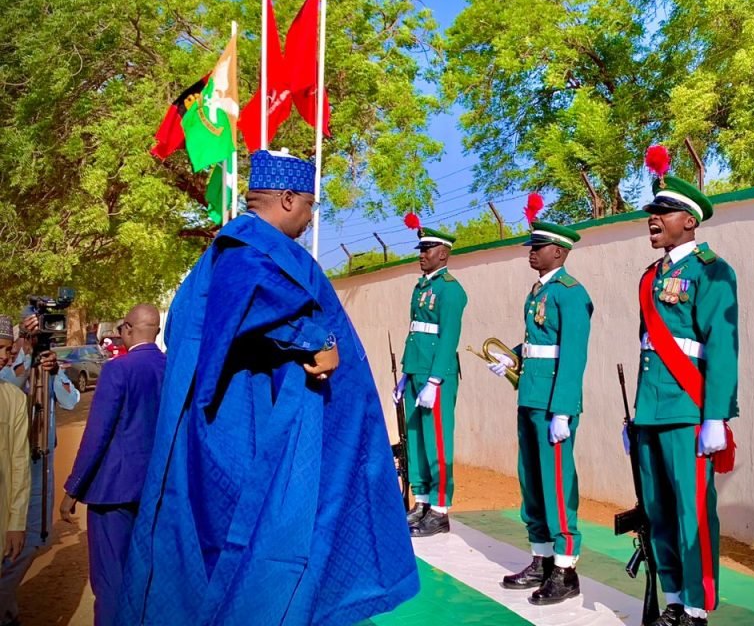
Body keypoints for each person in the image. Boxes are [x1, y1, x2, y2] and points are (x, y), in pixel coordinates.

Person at [116, 149, 418, 626]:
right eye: (308, 207)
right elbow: (241, 306)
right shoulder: (248, 250)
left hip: (250, 420)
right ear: (287, 198)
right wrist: (311, 338)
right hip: (248, 430)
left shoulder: (235, 250)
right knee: (258, 545)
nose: (310, 218)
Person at [631, 154, 739, 626]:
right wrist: (636, 416)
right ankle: (673, 598)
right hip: (651, 411)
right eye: (652, 212)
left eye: (664, 212)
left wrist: (716, 415)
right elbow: (648, 349)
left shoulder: (712, 271)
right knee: (657, 510)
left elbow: (722, 347)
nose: (653, 219)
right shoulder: (649, 277)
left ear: (690, 221)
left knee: (692, 513)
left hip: (688, 410)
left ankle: (695, 608)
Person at [495, 199, 593, 606]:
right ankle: (540, 557)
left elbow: (573, 355)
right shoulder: (539, 291)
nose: (531, 252)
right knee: (532, 481)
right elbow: (539, 342)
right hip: (530, 396)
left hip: (554, 401)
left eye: (538, 247)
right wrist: (513, 355)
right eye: (531, 247)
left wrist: (564, 410)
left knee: (556, 485)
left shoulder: (571, 294)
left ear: (559, 251)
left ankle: (565, 569)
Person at [59, 303, 166, 626]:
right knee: (148, 576)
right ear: (157, 332)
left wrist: (73, 488)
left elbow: (97, 434)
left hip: (113, 492)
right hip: (157, 490)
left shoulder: (118, 369)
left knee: (110, 580)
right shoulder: (173, 369)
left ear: (128, 329)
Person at [0, 313, 79, 626]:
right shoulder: (12, 361)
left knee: (37, 537)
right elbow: (10, 387)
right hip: (13, 462)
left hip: (40, 460)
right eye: (32, 330)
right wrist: (25, 356)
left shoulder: (48, 362)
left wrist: (55, 370)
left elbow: (71, 401)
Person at [396, 215, 468, 537]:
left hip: (435, 374)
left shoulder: (451, 291)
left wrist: (436, 379)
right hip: (416, 371)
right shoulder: (420, 287)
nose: (422, 254)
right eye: (420, 248)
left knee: (437, 440)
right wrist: (404, 374)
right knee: (418, 439)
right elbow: (414, 332)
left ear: (445, 253)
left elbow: (449, 337)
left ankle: (439, 509)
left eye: (428, 248)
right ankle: (423, 501)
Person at [0, 317, 29, 583]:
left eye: (7, 350)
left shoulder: (15, 399)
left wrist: (16, 524)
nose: (4, 357)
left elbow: (20, 464)